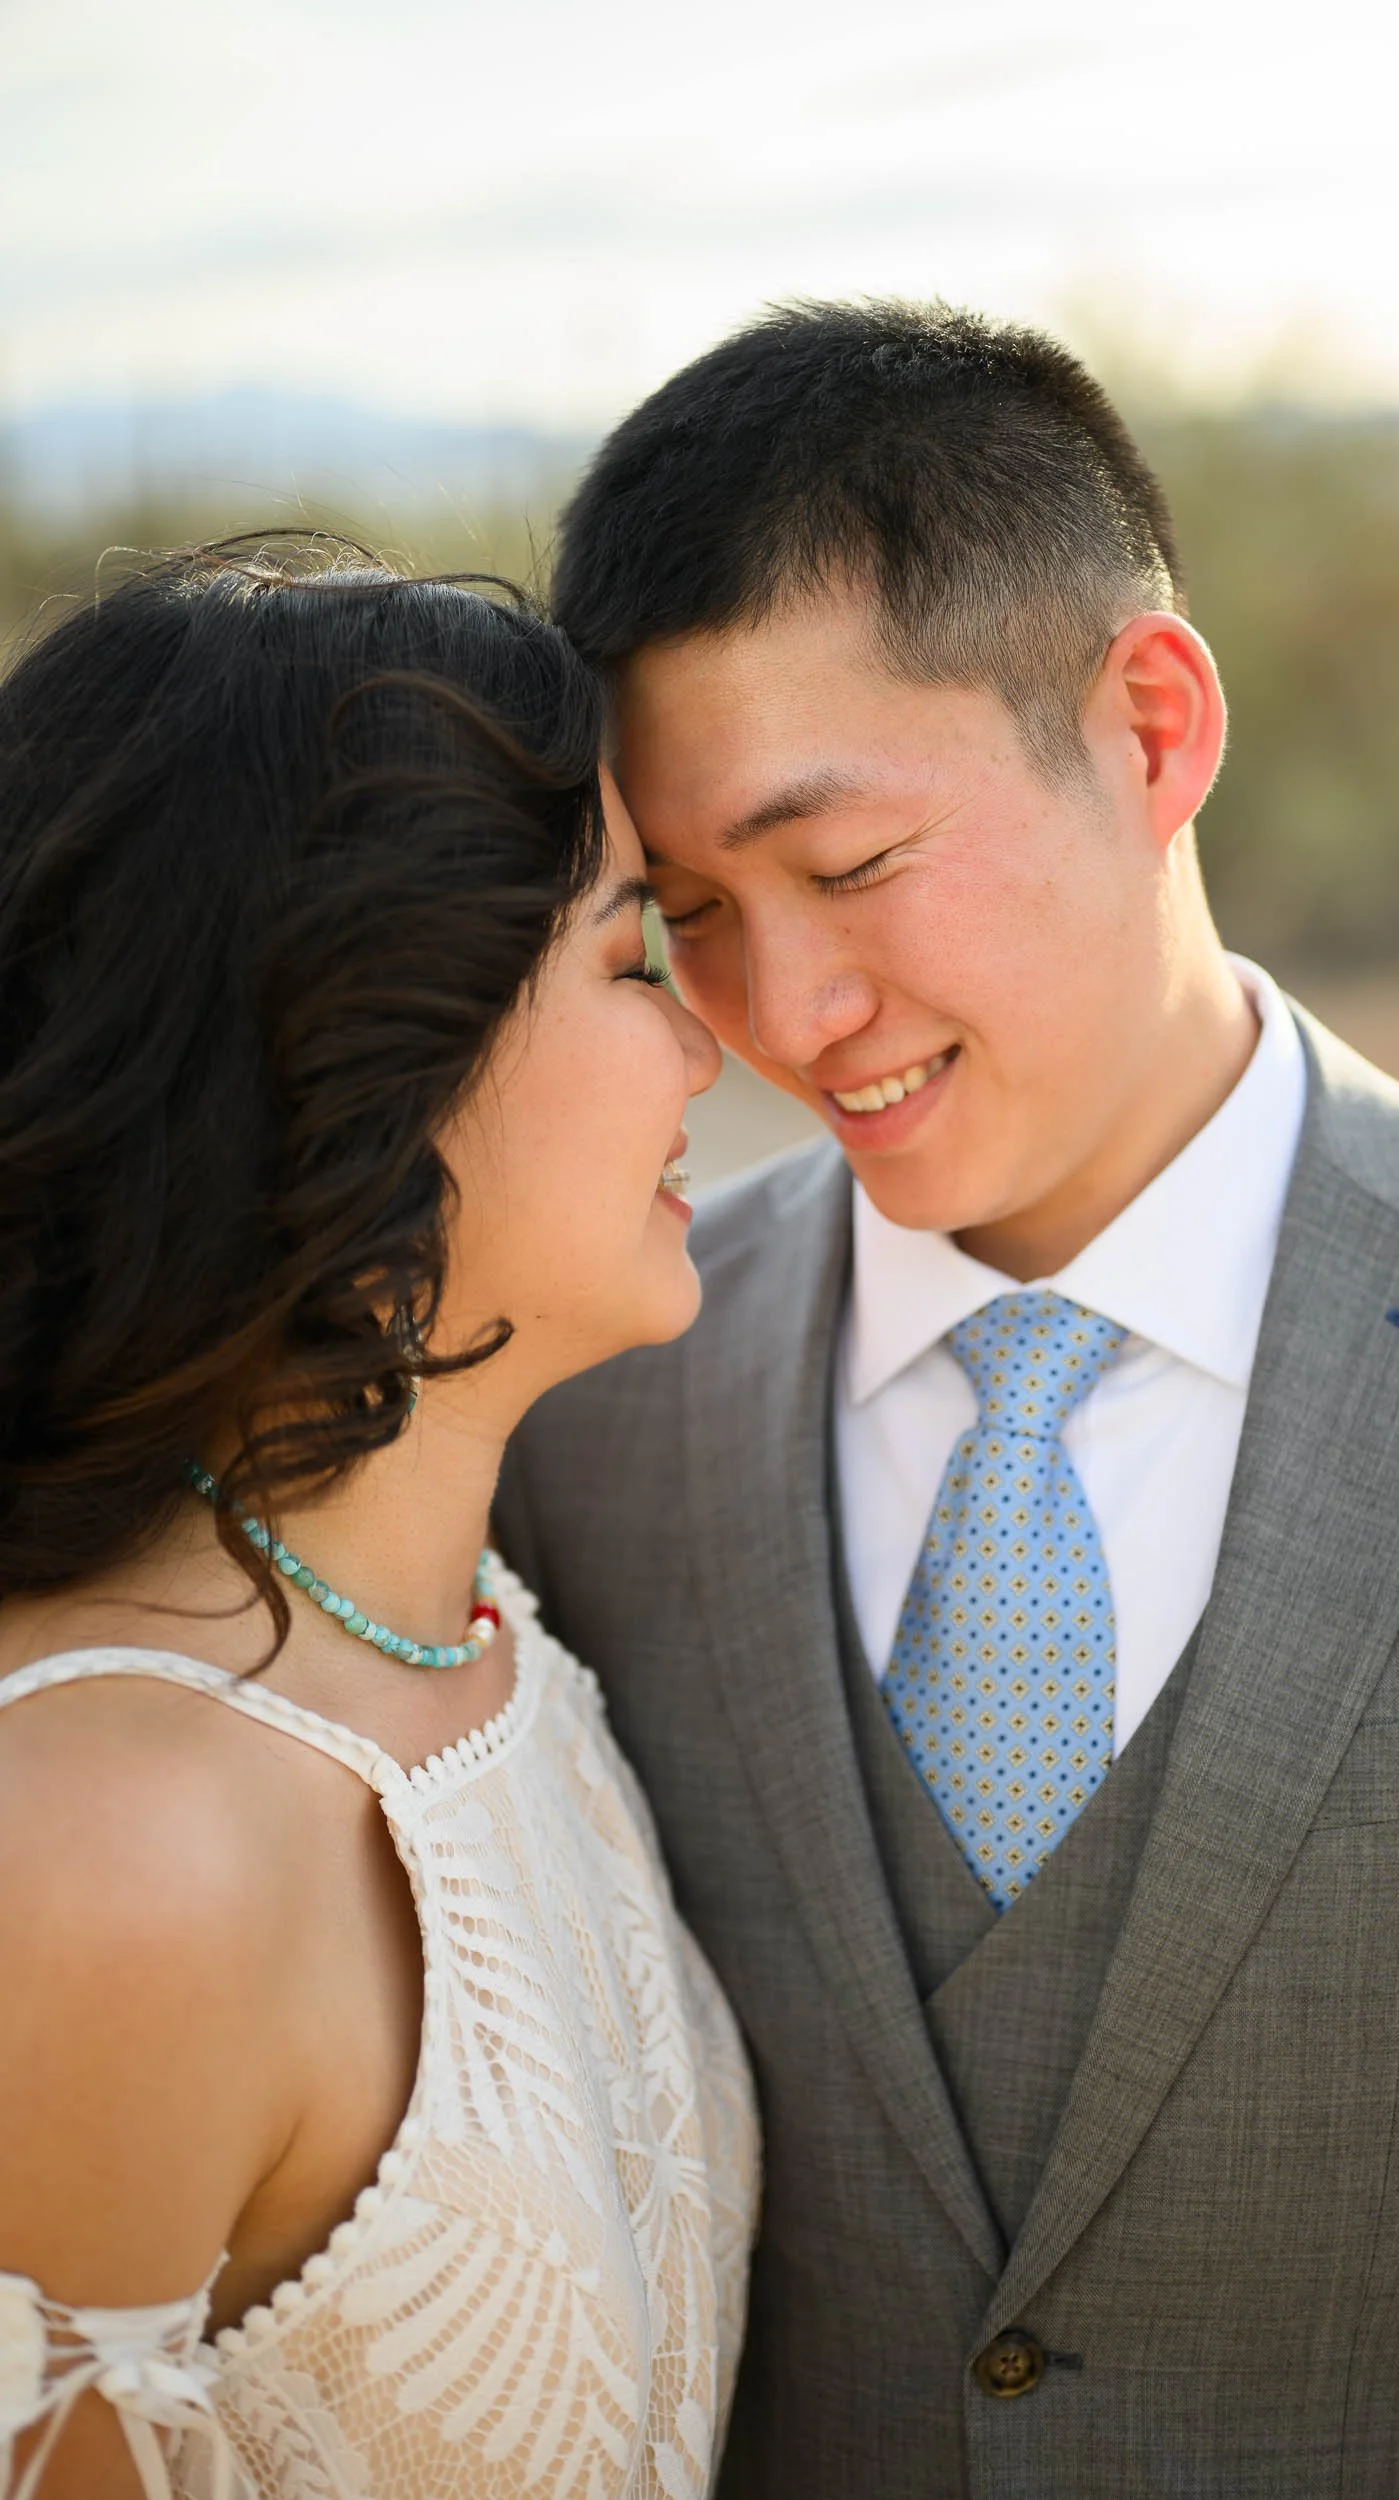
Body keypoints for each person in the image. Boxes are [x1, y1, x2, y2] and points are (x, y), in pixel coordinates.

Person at [495, 301, 1399, 2498]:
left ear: (1146, 723)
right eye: (694, 918)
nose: (790, 1010)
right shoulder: (596, 1404)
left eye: (844, 867)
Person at [0, 543, 756, 2500]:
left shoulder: (484, 1617)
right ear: (368, 1047)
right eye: (627, 956)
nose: (706, 1044)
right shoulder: (104, 1857)